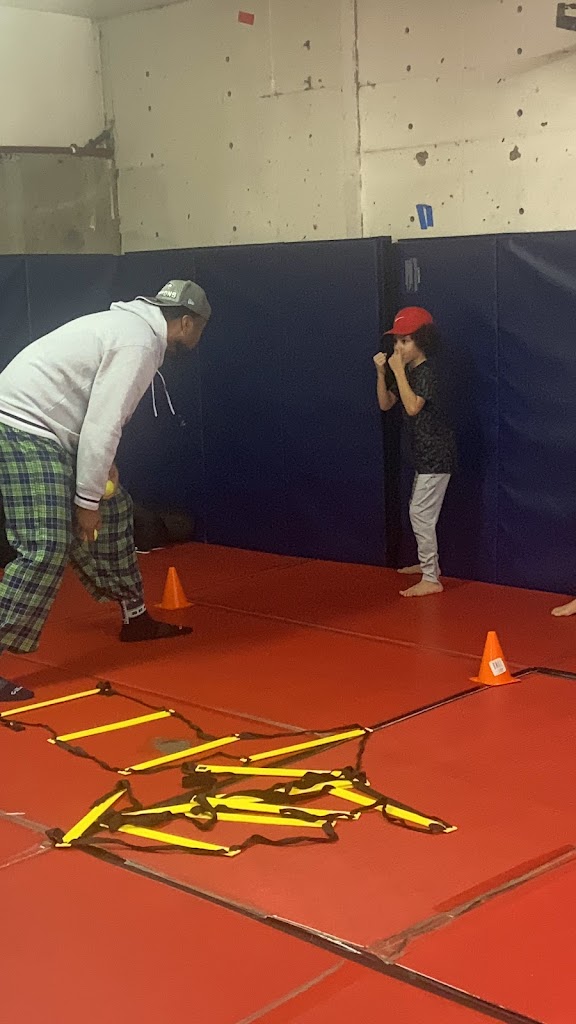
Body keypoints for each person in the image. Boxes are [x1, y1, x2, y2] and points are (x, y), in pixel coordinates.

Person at [0, 279, 211, 703]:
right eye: (200, 329)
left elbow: (93, 410)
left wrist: (99, 480)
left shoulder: (130, 329)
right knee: (45, 546)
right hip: (20, 426)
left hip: (51, 429)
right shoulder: (139, 343)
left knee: (115, 511)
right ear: (188, 323)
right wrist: (85, 502)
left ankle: (135, 617)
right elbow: (103, 422)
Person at [374, 306, 456, 598]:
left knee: (420, 513)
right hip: (424, 456)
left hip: (436, 456)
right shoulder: (409, 371)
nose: (399, 347)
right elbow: (386, 403)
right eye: (397, 341)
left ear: (422, 341)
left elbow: (412, 407)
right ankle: (427, 566)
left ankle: (431, 577)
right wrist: (382, 373)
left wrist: (397, 370)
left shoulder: (427, 372)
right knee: (420, 512)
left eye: (406, 341)